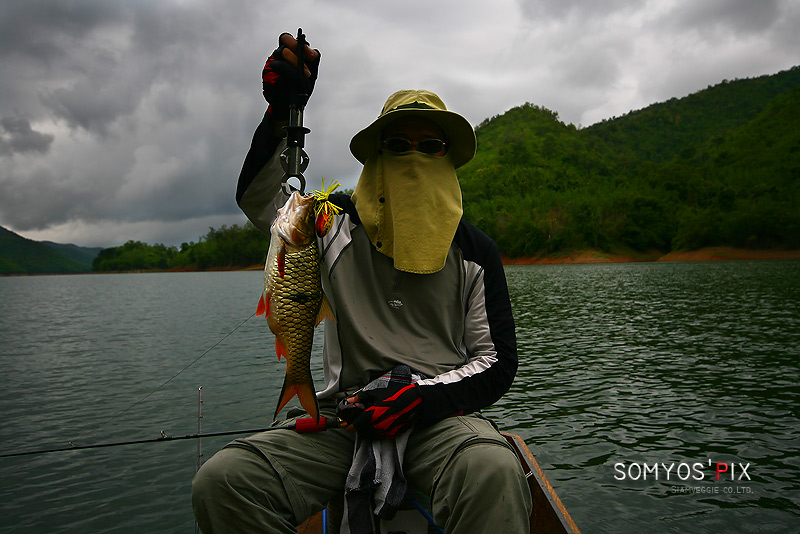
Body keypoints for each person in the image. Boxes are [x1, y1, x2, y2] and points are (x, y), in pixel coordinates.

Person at [192, 32, 532, 533]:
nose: (413, 158)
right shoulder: (329, 224)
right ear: (375, 154)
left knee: (494, 470)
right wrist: (281, 115)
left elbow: (496, 361)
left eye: (431, 147)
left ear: (448, 159)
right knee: (223, 481)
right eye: (397, 145)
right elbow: (264, 199)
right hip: (342, 419)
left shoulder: (474, 252)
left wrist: (421, 398)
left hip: (437, 420)